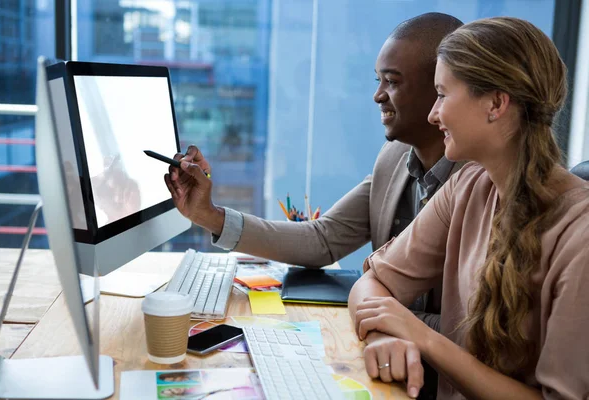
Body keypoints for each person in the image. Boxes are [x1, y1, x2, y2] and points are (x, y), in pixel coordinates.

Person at [166, 13, 463, 398]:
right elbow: (323, 239)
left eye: (393, 81)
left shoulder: (482, 184)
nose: (377, 95)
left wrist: (383, 318)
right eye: (378, 81)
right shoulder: (393, 159)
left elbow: (482, 333)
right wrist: (210, 215)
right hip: (381, 366)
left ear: (438, 88)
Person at [349, 17, 589, 399]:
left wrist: (425, 338)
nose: (433, 114)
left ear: (495, 103)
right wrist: (383, 334)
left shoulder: (580, 236)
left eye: (442, 95)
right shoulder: (468, 186)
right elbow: (373, 282)